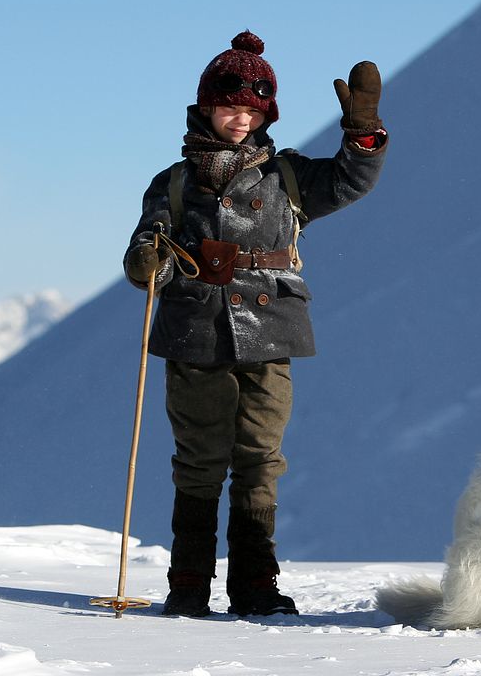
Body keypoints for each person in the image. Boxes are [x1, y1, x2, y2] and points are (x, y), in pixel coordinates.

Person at [123, 31, 387, 618]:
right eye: (228, 108)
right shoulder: (172, 183)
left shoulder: (288, 177)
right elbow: (147, 250)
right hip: (195, 334)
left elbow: (351, 181)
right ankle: (188, 585)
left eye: (250, 110)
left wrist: (361, 135)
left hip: (270, 334)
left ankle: (255, 586)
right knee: (199, 460)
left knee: (260, 460)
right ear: (205, 109)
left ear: (264, 114)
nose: (238, 120)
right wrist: (147, 262)